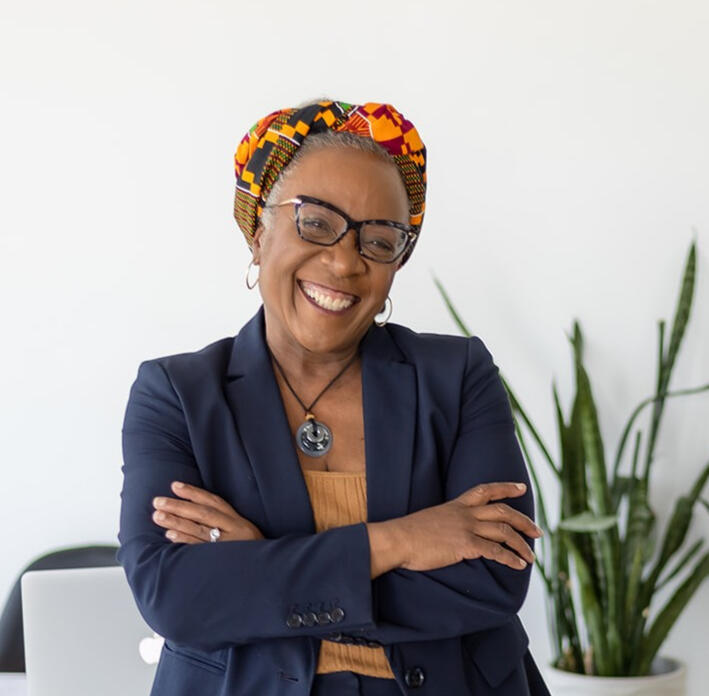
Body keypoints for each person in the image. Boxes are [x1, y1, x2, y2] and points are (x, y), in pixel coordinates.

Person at [117, 99, 552, 696]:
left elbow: (493, 579)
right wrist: (399, 540)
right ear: (258, 234)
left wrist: (264, 564)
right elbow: (177, 598)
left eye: (379, 240)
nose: (345, 262)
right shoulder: (176, 395)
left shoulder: (458, 376)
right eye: (316, 223)